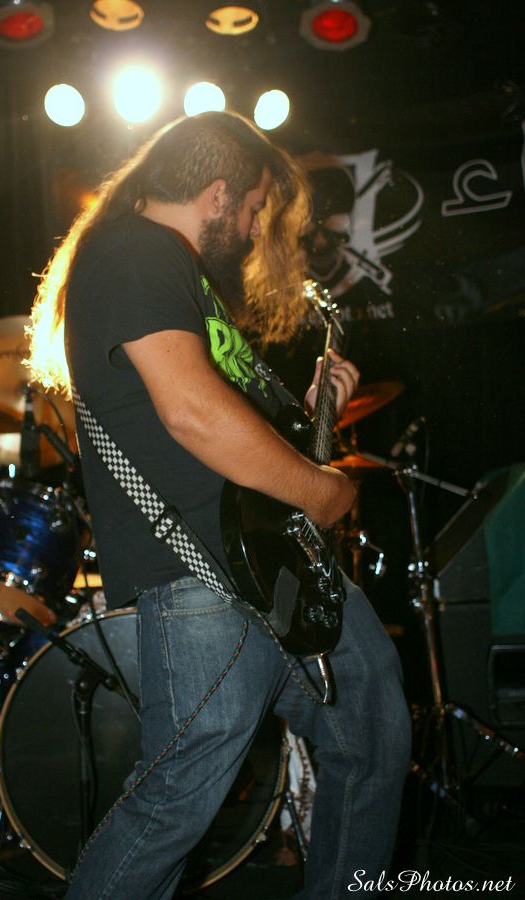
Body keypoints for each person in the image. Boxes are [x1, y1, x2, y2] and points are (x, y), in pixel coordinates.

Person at [27, 111, 411, 899]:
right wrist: (323, 490)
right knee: (178, 798)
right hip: (201, 570)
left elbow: (226, 418)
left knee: (371, 732)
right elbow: (193, 415)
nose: (257, 226)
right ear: (218, 194)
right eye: (257, 206)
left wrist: (312, 412)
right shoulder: (133, 251)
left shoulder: (168, 267)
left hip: (268, 566)